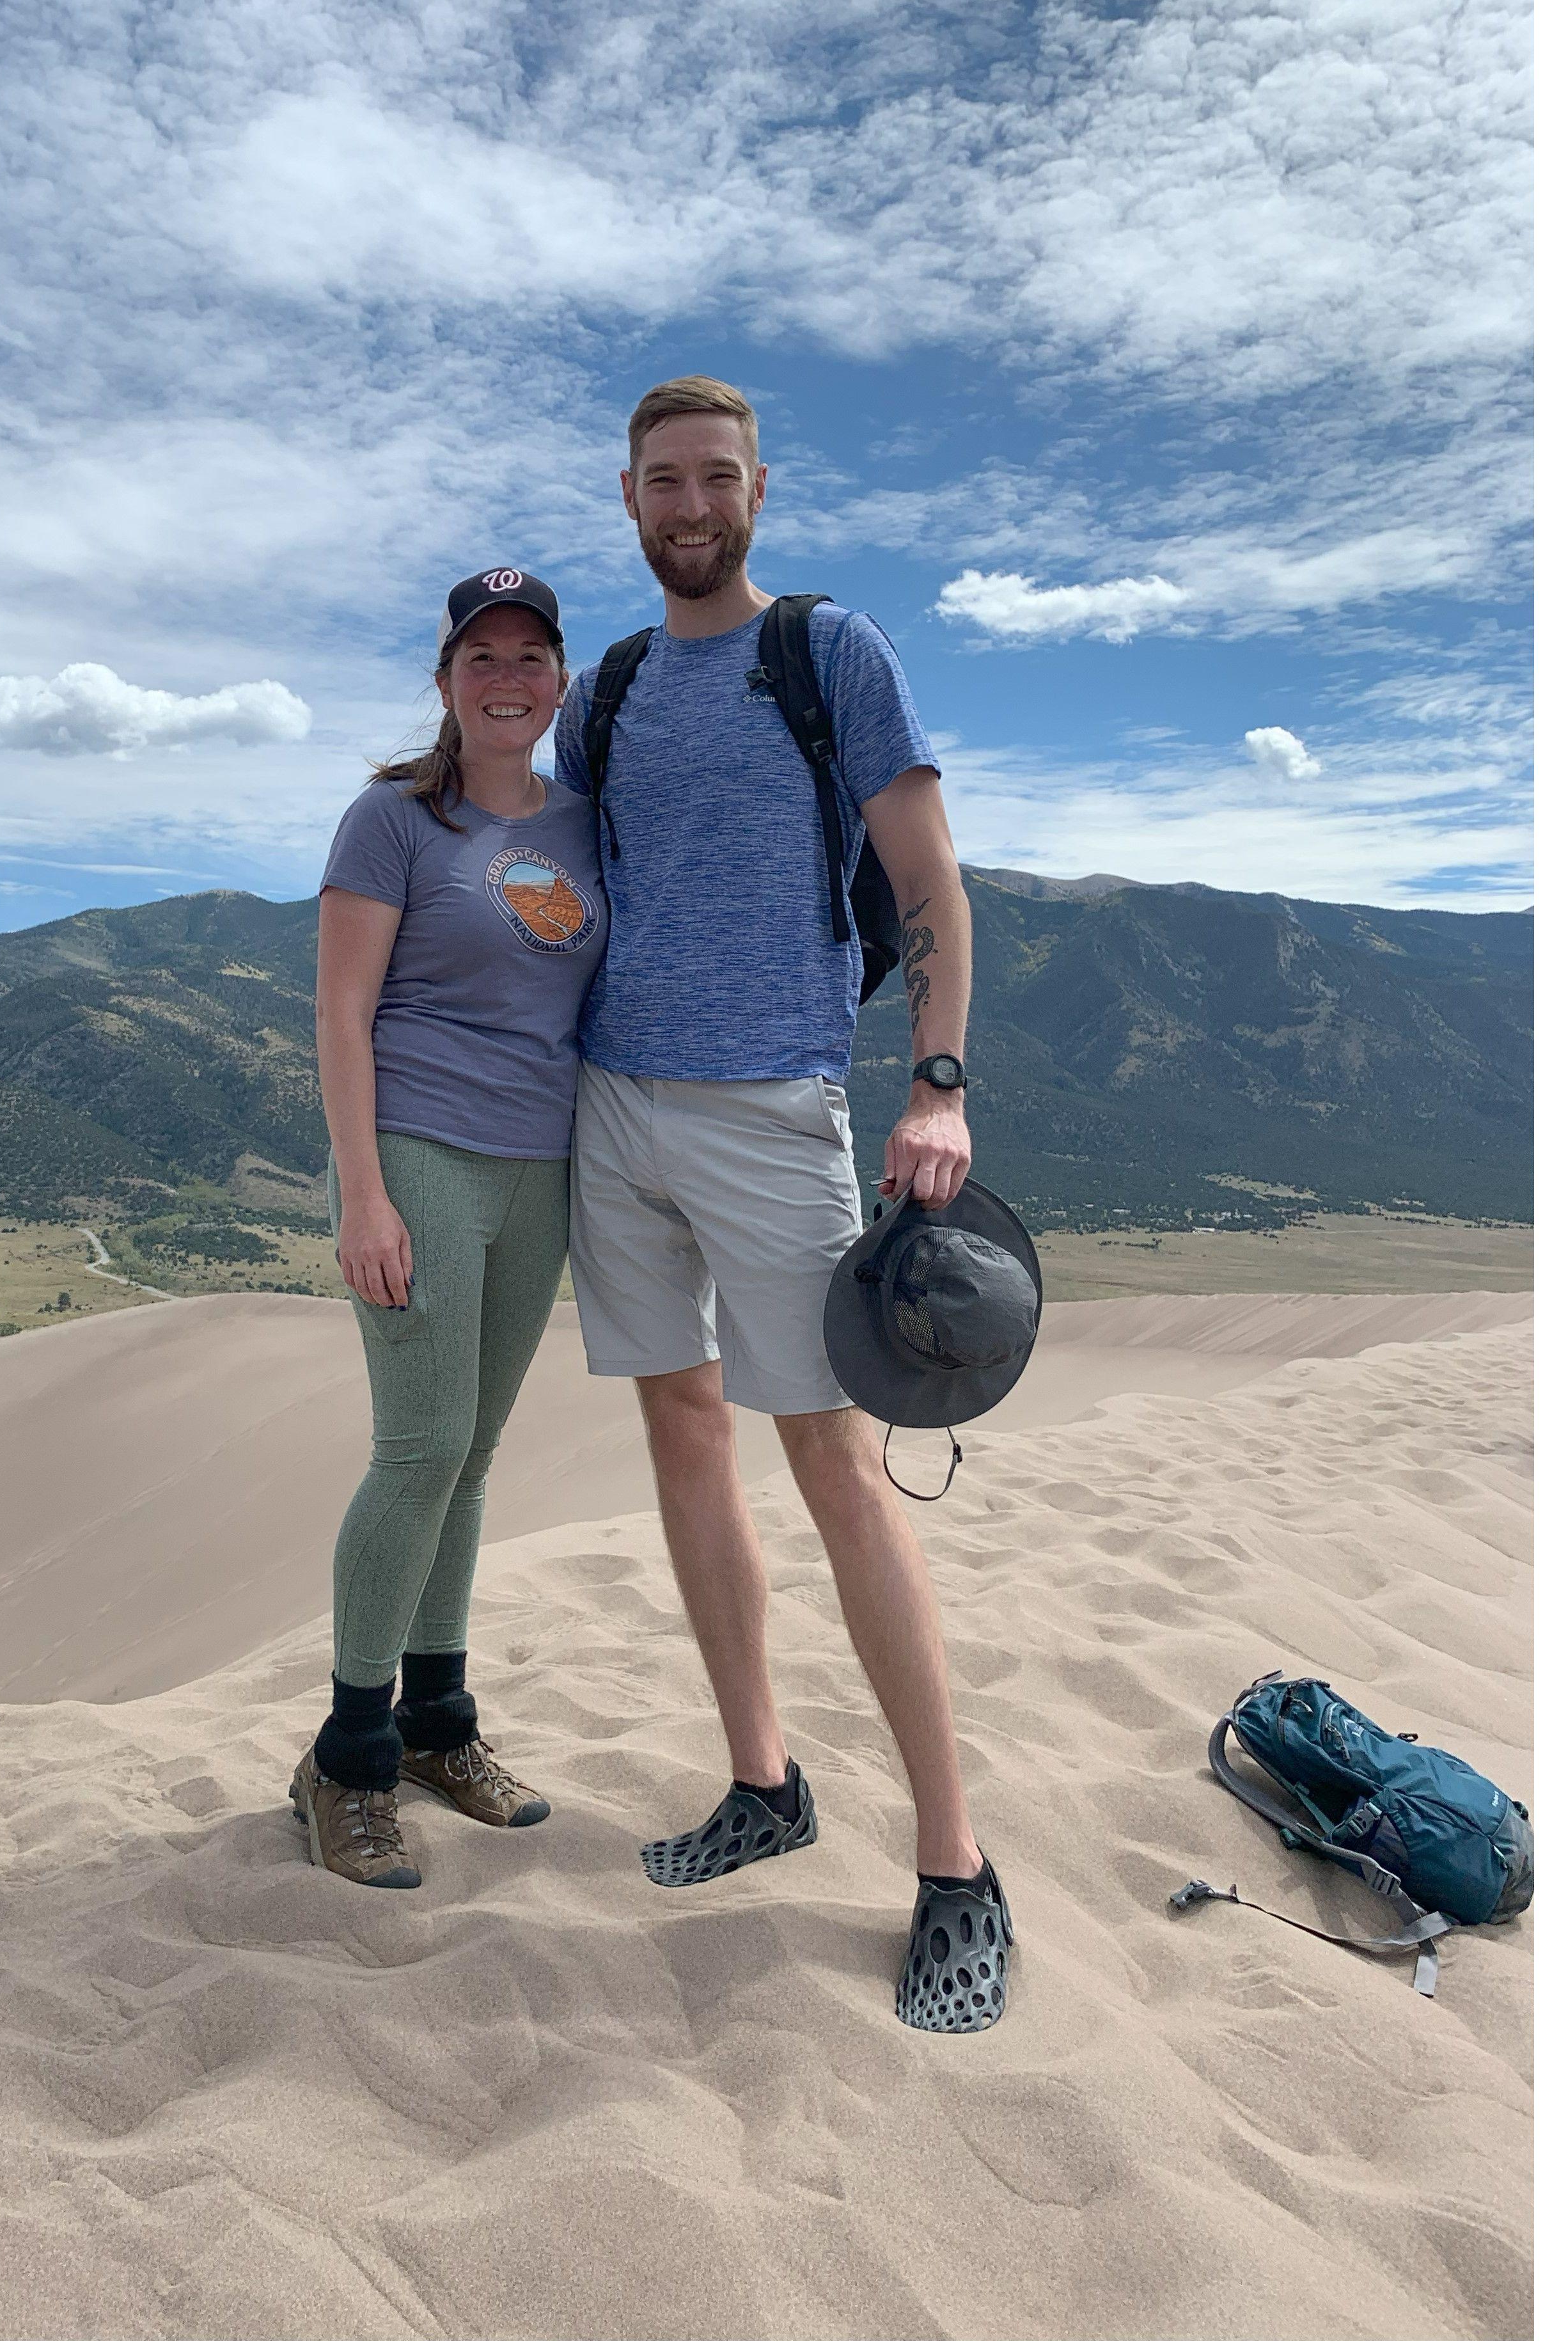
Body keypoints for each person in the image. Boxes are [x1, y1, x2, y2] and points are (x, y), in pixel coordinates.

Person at [552, 374, 1015, 2030]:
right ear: (626, 498)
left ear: (762, 490)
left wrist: (938, 1083)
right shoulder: (603, 692)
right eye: (664, 481)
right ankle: (766, 1780)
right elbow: (581, 893)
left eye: (717, 479)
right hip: (617, 1110)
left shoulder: (828, 655)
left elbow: (930, 882)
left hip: (775, 1110)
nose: (691, 506)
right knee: (683, 1435)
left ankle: (958, 1866)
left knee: (831, 1462)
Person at [292, 569, 606, 1886]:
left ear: (557, 683)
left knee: (472, 1458)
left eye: (531, 656)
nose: (508, 677)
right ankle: (347, 1758)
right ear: (444, 681)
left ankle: (438, 1724)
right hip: (420, 1152)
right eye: (482, 656)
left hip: (544, 1170)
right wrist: (364, 1194)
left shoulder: (592, 826)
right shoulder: (392, 822)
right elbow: (343, 1016)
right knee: (418, 1449)